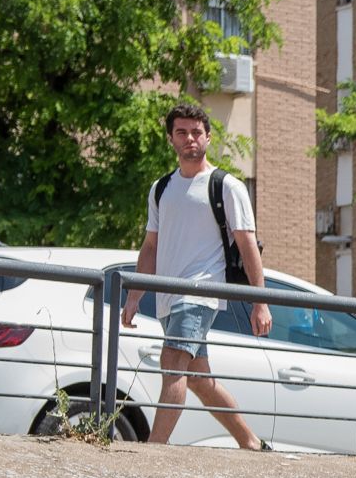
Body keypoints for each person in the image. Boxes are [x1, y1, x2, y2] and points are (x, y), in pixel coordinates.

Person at [116, 101, 272, 450]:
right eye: (182, 132)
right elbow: (150, 248)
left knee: (172, 363)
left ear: (208, 137)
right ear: (171, 138)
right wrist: (135, 295)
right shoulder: (161, 189)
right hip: (167, 297)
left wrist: (261, 304)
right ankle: (251, 443)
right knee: (200, 380)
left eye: (197, 132)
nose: (190, 139)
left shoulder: (227, 186)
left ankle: (154, 449)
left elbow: (248, 246)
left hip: (200, 293)